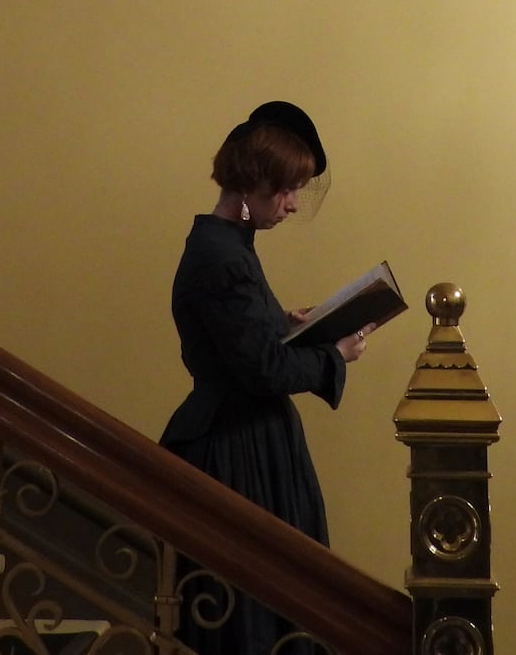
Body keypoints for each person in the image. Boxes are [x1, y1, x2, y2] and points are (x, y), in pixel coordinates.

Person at [159, 101, 374, 655]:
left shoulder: (226, 245)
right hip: (237, 449)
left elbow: (244, 340)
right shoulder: (222, 255)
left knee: (272, 601)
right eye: (284, 190)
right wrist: (336, 354)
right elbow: (262, 369)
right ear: (251, 184)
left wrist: (286, 324)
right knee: (252, 606)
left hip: (250, 440)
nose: (292, 204)